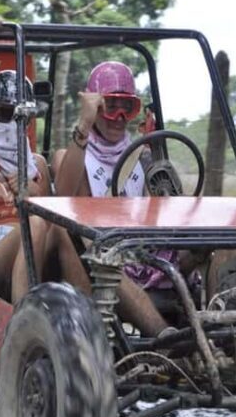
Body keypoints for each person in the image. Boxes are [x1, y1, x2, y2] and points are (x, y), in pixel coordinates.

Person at [0, 17, 87, 303]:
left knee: (58, 226)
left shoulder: (36, 165)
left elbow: (63, 201)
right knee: (36, 222)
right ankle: (22, 323)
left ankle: (98, 323)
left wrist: (35, 196)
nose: (13, 123)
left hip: (37, 253)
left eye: (21, 117)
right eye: (5, 114)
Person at [53, 61, 179, 337]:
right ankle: (169, 340)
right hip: (102, 258)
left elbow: (163, 212)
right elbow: (61, 199)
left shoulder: (144, 157)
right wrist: (84, 124)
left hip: (144, 253)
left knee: (216, 245)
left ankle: (233, 332)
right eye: (110, 107)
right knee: (111, 269)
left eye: (127, 108)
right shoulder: (72, 155)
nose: (120, 116)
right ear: (95, 107)